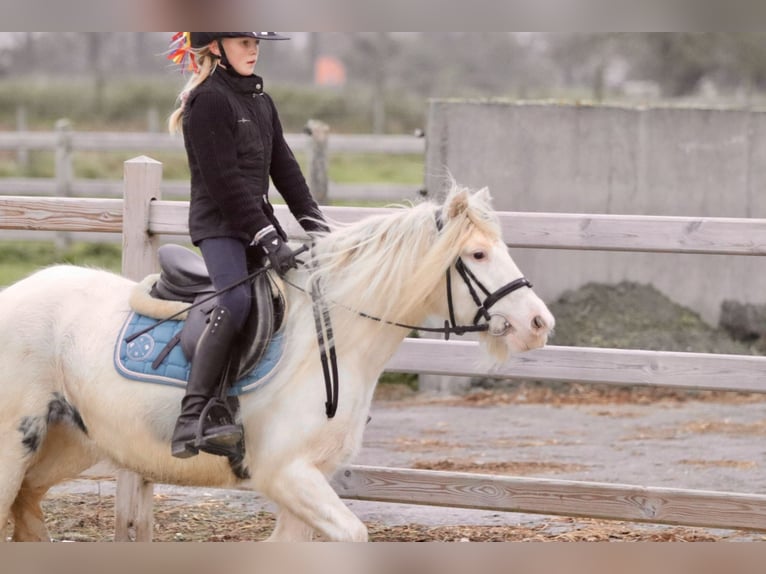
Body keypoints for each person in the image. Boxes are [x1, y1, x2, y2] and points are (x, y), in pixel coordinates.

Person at [166, 32, 328, 459]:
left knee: (308, 292)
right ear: (215, 47)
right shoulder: (208, 102)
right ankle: (193, 415)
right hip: (218, 226)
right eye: (242, 42)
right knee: (235, 302)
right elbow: (224, 184)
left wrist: (320, 229)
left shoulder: (261, 102)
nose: (253, 49)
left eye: (255, 42)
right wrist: (267, 237)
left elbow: (286, 171)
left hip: (255, 223)